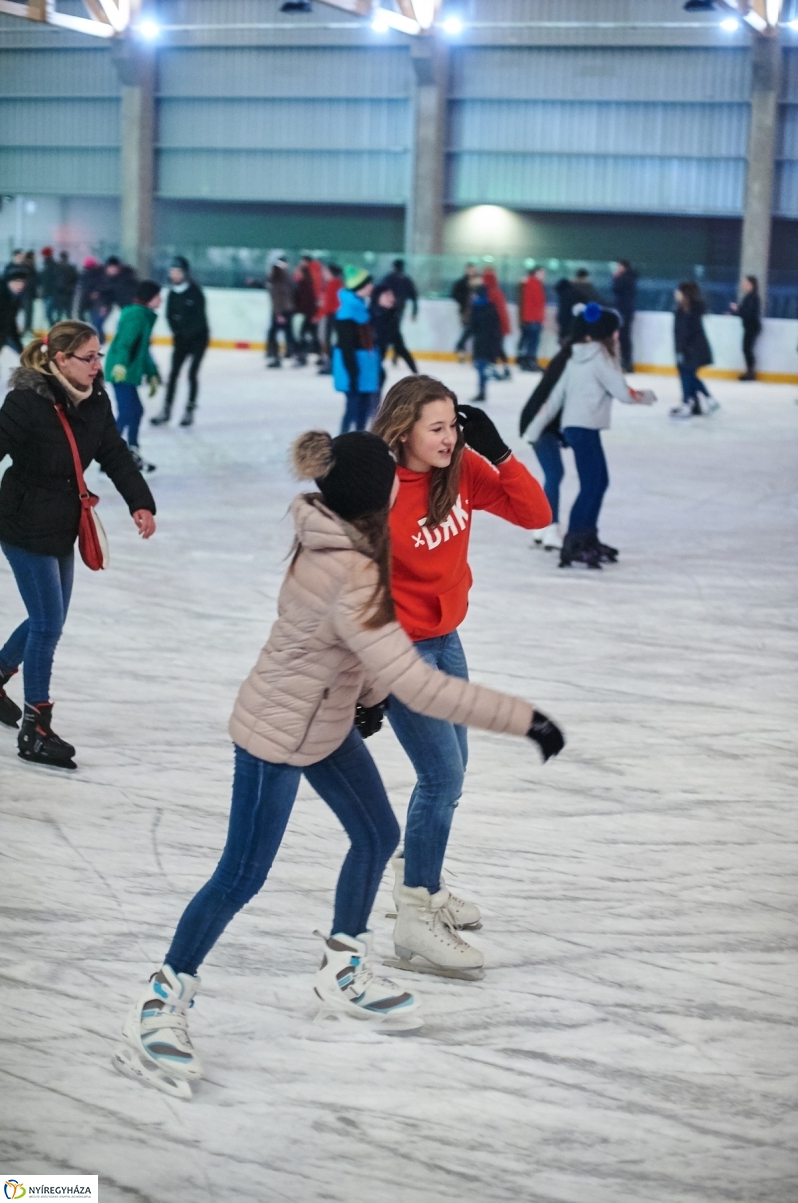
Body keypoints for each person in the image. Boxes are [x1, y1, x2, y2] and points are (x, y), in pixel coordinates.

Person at [114, 427, 564, 1098]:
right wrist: (523, 718)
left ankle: (343, 967)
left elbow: (355, 651)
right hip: (278, 733)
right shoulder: (350, 567)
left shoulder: (337, 532)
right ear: (372, 494)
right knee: (241, 873)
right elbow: (420, 683)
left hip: (323, 720)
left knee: (378, 834)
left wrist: (366, 695)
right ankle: (161, 997)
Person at [371, 377, 554, 976]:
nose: (451, 438)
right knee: (441, 774)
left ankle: (419, 875)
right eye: (437, 428)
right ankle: (416, 915)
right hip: (399, 652)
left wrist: (498, 454)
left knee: (454, 772)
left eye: (455, 425)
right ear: (403, 431)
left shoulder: (463, 472)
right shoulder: (380, 489)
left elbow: (537, 514)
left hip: (446, 641)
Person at [0, 320, 156, 767]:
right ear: (60, 360)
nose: (97, 365)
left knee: (49, 617)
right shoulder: (26, 402)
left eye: (99, 355)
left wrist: (140, 503)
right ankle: (36, 729)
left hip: (64, 521)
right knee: (48, 623)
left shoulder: (96, 401)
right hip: (23, 522)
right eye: (88, 357)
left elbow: (114, 454)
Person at [525, 303, 656, 569]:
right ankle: (576, 541)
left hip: (576, 428)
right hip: (584, 429)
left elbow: (556, 396)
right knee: (593, 485)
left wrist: (533, 428)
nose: (618, 335)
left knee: (597, 482)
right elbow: (621, 392)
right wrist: (646, 396)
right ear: (608, 333)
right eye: (615, 331)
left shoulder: (576, 356)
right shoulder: (602, 357)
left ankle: (587, 537)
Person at [519, 341, 573, 552]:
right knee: (554, 473)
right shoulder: (566, 365)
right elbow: (551, 404)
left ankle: (542, 527)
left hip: (540, 424)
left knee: (554, 474)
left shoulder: (563, 362)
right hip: (539, 424)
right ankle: (550, 527)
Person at [105, 280, 162, 472]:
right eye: (157, 296)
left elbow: (142, 350)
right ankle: (110, 456)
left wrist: (152, 374)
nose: (160, 300)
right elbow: (125, 342)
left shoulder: (144, 315)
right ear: (149, 298)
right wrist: (120, 364)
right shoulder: (137, 315)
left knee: (135, 411)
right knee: (127, 412)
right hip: (121, 371)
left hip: (128, 370)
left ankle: (131, 451)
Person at [151, 256, 209, 428]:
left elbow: (200, 319)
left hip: (198, 339)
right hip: (181, 340)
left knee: (192, 374)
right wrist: (178, 332)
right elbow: (169, 316)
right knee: (174, 374)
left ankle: (189, 410)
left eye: (177, 272)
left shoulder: (195, 292)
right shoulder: (172, 294)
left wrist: (188, 333)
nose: (174, 275)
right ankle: (166, 410)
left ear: (185, 273)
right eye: (172, 272)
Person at [333, 267, 380, 433]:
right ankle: (343, 442)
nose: (371, 287)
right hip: (353, 368)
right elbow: (346, 348)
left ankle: (359, 441)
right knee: (352, 408)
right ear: (360, 287)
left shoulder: (362, 308)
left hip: (365, 367)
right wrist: (353, 375)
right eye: (368, 284)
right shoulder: (346, 313)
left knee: (363, 409)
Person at [671, 281, 717, 419]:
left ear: (683, 294)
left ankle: (688, 403)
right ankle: (705, 401)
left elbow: (685, 332)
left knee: (687, 376)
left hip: (690, 350)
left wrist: (680, 350)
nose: (675, 293)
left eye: (678, 291)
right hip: (693, 349)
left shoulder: (687, 310)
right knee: (690, 376)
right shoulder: (690, 308)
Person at [463, 284, 502, 403]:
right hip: (489, 342)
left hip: (480, 343)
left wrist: (461, 341)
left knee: (480, 367)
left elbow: (471, 328)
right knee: (481, 367)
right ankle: (483, 389)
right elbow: (496, 328)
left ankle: (482, 391)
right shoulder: (491, 307)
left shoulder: (476, 308)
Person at [372, 287, 418, 377]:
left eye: (392, 295)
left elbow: (401, 349)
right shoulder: (372, 315)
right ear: (378, 298)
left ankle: (416, 374)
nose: (391, 298)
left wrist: (416, 373)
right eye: (387, 295)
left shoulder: (393, 313)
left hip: (390, 339)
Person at [729, 275, 761, 381]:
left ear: (751, 285)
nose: (743, 286)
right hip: (750, 326)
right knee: (746, 349)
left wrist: (737, 309)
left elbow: (747, 313)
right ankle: (749, 372)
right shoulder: (750, 297)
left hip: (752, 326)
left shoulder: (752, 297)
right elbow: (745, 311)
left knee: (747, 349)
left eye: (745, 283)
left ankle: (750, 373)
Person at [481, 267, 511, 379]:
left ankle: (494, 369)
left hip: (495, 327)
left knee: (493, 348)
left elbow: (493, 312)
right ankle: (505, 368)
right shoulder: (497, 292)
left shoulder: (490, 293)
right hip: (499, 326)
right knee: (498, 348)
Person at [265, 258, 295, 367]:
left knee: (273, 334)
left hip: (281, 312)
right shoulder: (284, 280)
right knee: (287, 333)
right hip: (285, 311)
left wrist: (279, 314)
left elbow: (279, 300)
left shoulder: (277, 284)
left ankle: (275, 356)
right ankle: (292, 353)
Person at [555, 269, 599, 342]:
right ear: (586, 277)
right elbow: (596, 302)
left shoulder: (567, 289)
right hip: (579, 324)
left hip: (564, 322)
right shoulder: (586, 288)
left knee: (564, 345)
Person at [517, 265, 546, 371]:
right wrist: (541, 319)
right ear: (537, 273)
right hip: (534, 318)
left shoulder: (527, 283)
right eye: (542, 273)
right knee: (533, 342)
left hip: (528, 318)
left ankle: (525, 361)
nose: (544, 276)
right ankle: (530, 361)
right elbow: (538, 303)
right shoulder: (535, 284)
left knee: (527, 340)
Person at [316, 263, 343, 375]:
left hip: (331, 316)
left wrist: (318, 315)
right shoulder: (339, 284)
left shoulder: (332, 284)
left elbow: (328, 305)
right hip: (335, 315)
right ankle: (331, 363)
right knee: (330, 340)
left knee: (327, 340)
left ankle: (331, 364)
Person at [612, 260, 638, 373]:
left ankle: (626, 364)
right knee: (625, 337)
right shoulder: (631, 278)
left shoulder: (623, 278)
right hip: (627, 310)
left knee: (624, 337)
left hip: (624, 311)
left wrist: (616, 278)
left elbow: (616, 289)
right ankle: (627, 363)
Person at [292, 259, 318, 366]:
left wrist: (297, 309)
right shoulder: (306, 283)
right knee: (309, 335)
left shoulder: (304, 285)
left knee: (303, 335)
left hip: (307, 314)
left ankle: (302, 356)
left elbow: (305, 301)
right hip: (308, 314)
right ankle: (304, 355)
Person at [0, 270, 26, 361]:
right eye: (17, 282)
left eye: (22, 283)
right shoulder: (1, 297)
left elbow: (11, 324)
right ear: (9, 282)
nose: (20, 286)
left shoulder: (14, 298)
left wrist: (21, 349)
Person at [452, 262, 478, 357]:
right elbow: (455, 294)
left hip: (477, 312)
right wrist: (463, 301)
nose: (471, 272)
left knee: (474, 333)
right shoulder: (461, 282)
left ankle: (475, 354)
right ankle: (462, 353)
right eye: (469, 270)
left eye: (472, 270)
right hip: (465, 311)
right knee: (465, 330)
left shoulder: (478, 282)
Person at [77, 257, 107, 339]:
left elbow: (84, 291)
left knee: (96, 323)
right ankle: (100, 340)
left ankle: (99, 340)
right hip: (96, 304)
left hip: (95, 303)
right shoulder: (101, 274)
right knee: (96, 324)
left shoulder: (86, 276)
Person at [54, 252, 78, 322]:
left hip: (60, 293)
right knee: (68, 313)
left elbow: (55, 280)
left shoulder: (58, 268)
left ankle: (57, 329)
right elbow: (75, 280)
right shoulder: (72, 268)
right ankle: (70, 329)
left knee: (59, 313)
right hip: (69, 293)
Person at [39, 248, 59, 326]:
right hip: (50, 293)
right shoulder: (52, 265)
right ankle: (53, 326)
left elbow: (46, 280)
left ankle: (53, 327)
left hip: (49, 293)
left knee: (48, 313)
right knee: (50, 313)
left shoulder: (48, 266)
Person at [21, 251, 38, 335]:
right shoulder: (28, 267)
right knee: (28, 312)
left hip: (28, 293)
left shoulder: (28, 266)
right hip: (27, 293)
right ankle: (27, 328)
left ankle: (27, 328)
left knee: (29, 312)